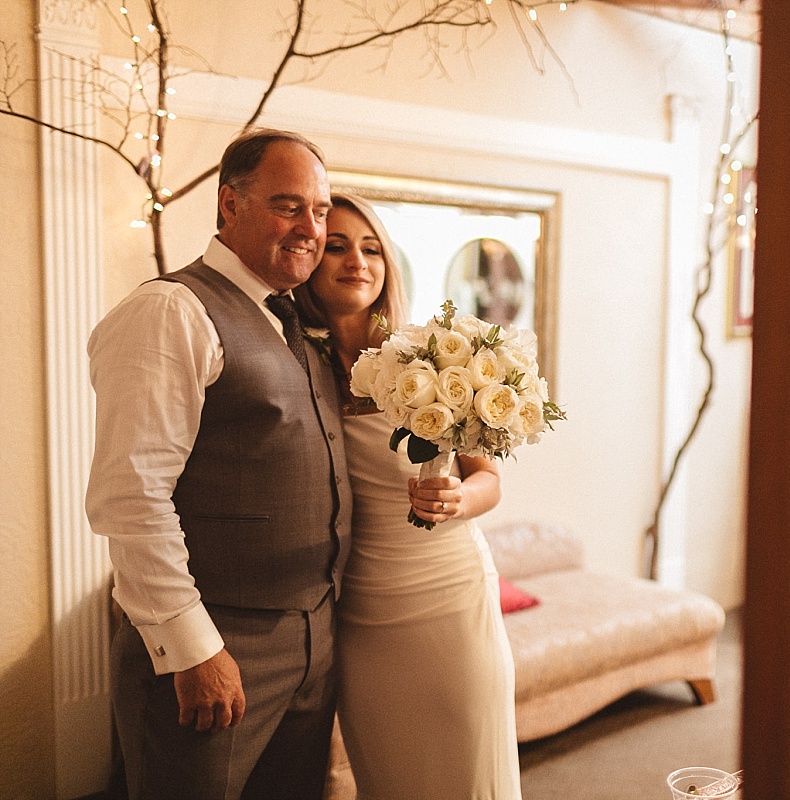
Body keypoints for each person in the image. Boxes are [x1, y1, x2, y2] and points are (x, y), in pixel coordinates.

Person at [86, 129, 351, 799]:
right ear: (229, 206)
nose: (310, 228)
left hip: (313, 638)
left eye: (319, 211)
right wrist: (193, 647)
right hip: (217, 641)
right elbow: (131, 495)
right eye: (288, 205)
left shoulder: (295, 321)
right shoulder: (169, 310)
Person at [294, 193, 523, 799]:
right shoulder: (292, 362)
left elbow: (489, 479)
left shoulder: (434, 355)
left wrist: (457, 499)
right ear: (310, 259)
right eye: (337, 246)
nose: (356, 262)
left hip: (448, 595)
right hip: (361, 610)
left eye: (371, 248)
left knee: (465, 774)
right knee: (391, 777)